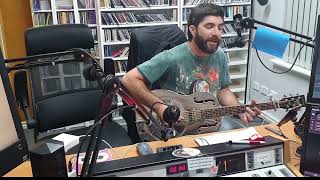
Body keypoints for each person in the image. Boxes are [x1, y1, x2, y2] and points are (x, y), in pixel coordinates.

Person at [121, 3, 261, 136]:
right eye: (209, 26)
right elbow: (129, 79)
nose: (216, 32)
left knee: (249, 141)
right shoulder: (171, 57)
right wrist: (160, 107)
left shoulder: (219, 55)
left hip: (210, 125)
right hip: (177, 128)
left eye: (220, 27)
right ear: (192, 30)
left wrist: (240, 110)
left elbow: (223, 90)